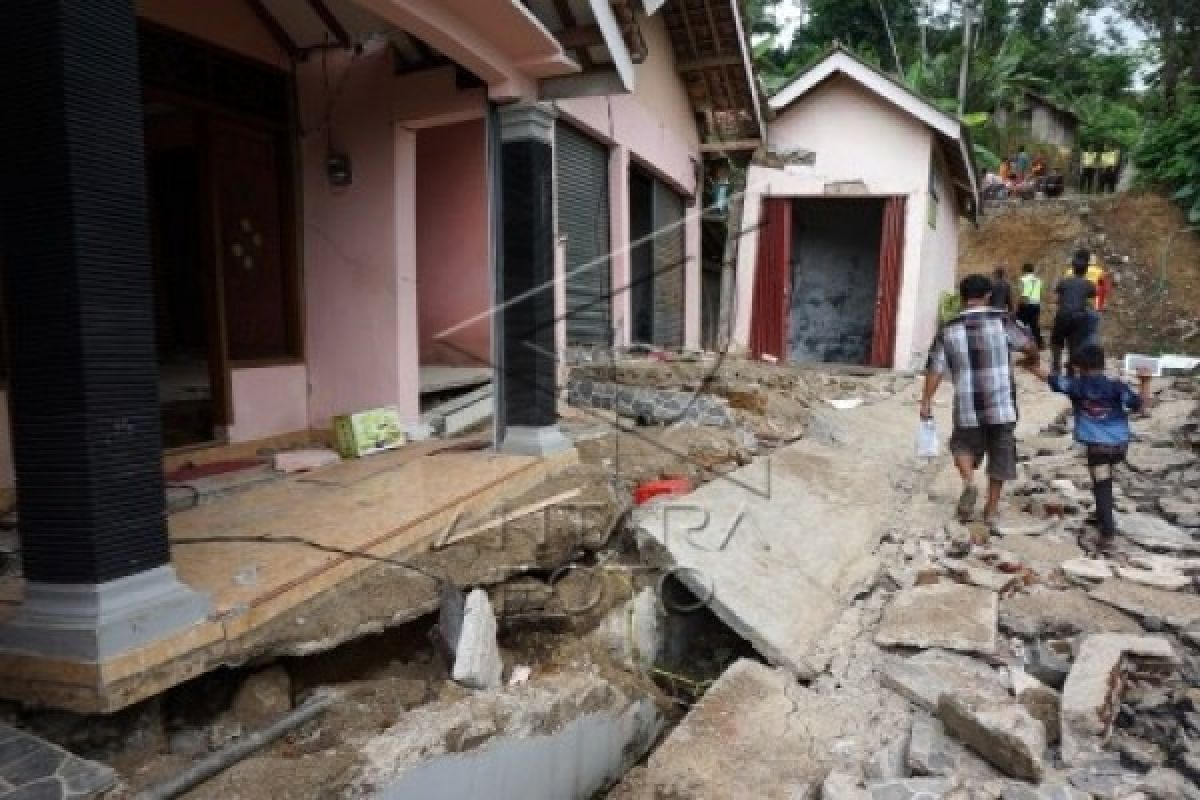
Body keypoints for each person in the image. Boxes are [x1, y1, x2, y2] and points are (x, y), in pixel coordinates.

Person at [920, 274, 1037, 527]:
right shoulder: (1002, 320)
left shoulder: (948, 328)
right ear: (987, 296)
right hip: (1002, 404)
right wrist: (1031, 360)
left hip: (967, 406)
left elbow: (935, 368)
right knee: (1001, 452)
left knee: (961, 445)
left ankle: (969, 482)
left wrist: (926, 401)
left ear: (962, 297)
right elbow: (1029, 345)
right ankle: (991, 510)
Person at [1025, 344, 1152, 552]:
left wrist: (1031, 367)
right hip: (1120, 446)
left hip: (1097, 449)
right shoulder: (1117, 387)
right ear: (1102, 364)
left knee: (1102, 486)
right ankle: (1104, 515)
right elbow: (1141, 405)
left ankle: (1108, 533)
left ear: (1079, 366)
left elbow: (1051, 379)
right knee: (1106, 481)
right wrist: (1145, 382)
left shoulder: (1077, 386)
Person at [1051, 249, 1097, 375]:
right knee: (1074, 346)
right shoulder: (1089, 284)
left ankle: (1056, 368)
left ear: (1073, 268)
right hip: (1078, 318)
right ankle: (1070, 371)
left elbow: (1056, 299)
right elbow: (1091, 301)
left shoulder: (1064, 282)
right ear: (1086, 270)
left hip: (1062, 316)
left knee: (1056, 342)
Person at [1017, 264, 1044, 350]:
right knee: (1034, 325)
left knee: (1020, 324)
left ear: (1024, 270)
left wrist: (1018, 305)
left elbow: (1023, 294)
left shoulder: (1023, 279)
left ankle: (1020, 344)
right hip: (1036, 305)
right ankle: (1040, 344)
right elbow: (1040, 293)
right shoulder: (1038, 280)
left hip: (1025, 305)